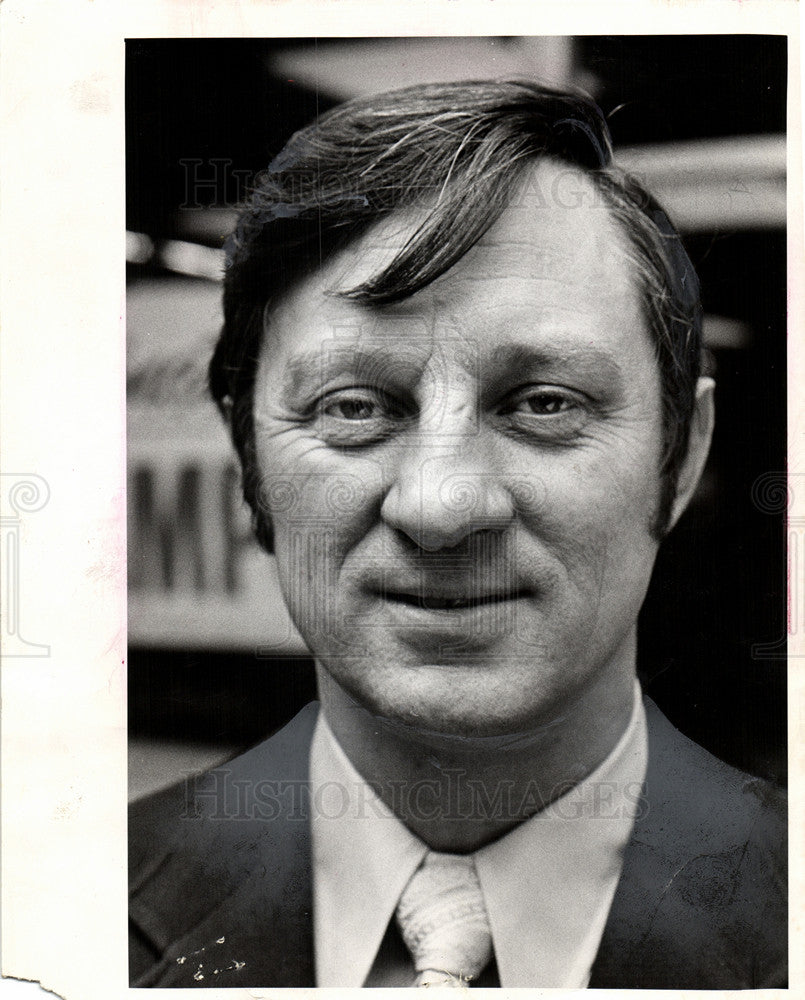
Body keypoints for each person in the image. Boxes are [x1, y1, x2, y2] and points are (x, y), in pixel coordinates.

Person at [128, 80, 786, 989]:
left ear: (681, 457)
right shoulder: (49, 914)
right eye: (354, 406)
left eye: (544, 403)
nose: (439, 506)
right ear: (249, 461)